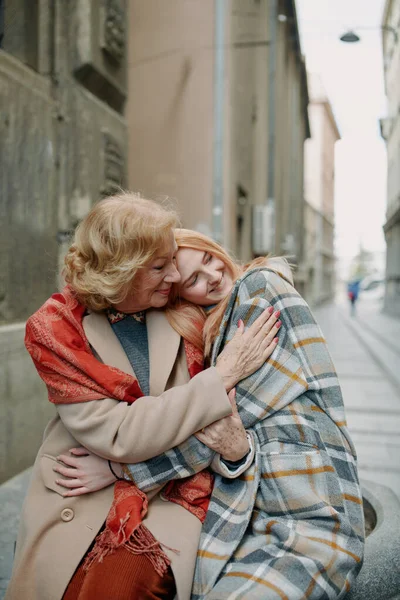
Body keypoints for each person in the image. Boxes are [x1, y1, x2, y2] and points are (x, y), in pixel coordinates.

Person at [55, 229, 365, 599]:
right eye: (194, 281)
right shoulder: (217, 321)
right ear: (181, 295)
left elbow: (216, 426)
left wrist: (120, 470)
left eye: (208, 259)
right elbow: (221, 434)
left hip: (311, 508)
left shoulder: (260, 289)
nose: (214, 276)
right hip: (256, 504)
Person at [5, 196, 281, 600]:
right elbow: (120, 433)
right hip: (80, 484)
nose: (174, 274)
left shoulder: (184, 305)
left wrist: (124, 471)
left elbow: (219, 428)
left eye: (172, 260)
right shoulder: (57, 330)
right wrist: (219, 378)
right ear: (121, 273)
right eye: (159, 266)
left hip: (170, 491)